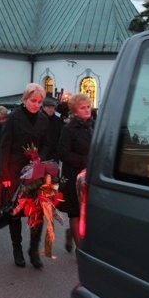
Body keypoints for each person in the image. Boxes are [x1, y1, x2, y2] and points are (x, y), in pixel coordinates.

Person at [0, 83, 49, 269]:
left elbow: (46, 144)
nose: (36, 105)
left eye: (39, 102)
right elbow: (4, 147)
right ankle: (17, 248)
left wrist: (39, 156)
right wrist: (4, 173)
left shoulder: (43, 119)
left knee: (38, 211)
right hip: (15, 170)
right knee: (15, 211)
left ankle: (34, 250)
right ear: (24, 100)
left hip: (35, 171)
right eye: (33, 101)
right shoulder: (13, 119)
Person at [57, 93, 94, 253]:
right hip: (74, 176)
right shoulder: (69, 129)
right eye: (82, 108)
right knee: (75, 212)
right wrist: (86, 160)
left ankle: (72, 233)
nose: (87, 110)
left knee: (89, 212)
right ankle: (81, 251)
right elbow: (63, 154)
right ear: (75, 111)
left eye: (88, 107)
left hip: (92, 175)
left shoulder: (95, 126)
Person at [41, 96, 64, 163]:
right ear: (44, 107)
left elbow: (60, 135)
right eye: (49, 108)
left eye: (53, 108)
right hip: (41, 152)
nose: (51, 110)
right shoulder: (39, 119)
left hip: (54, 152)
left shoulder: (57, 120)